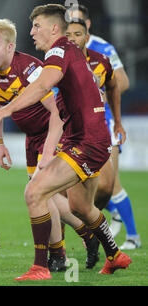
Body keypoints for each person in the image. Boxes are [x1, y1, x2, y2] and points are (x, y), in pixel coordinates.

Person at [0, 4, 131, 281]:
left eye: (36, 26)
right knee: (80, 207)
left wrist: (8, 109)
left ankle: (42, 266)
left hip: (86, 142)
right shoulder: (71, 51)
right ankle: (114, 255)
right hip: (88, 139)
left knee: (34, 192)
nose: (31, 32)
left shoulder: (59, 50)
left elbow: (41, 86)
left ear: (53, 28)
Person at [0, 18, 99, 272]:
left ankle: (59, 254)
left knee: (42, 194)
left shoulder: (30, 69)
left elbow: (56, 112)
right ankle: (83, 237)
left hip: (55, 134)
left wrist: (47, 151)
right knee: (46, 197)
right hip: (32, 138)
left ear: (10, 47)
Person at [69, 5, 140, 250]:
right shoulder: (63, 49)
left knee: (111, 184)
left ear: (87, 25)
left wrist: (95, 95)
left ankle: (132, 236)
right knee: (78, 182)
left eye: (78, 23)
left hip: (104, 123)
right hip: (76, 126)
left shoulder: (103, 48)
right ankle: (111, 212)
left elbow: (123, 82)